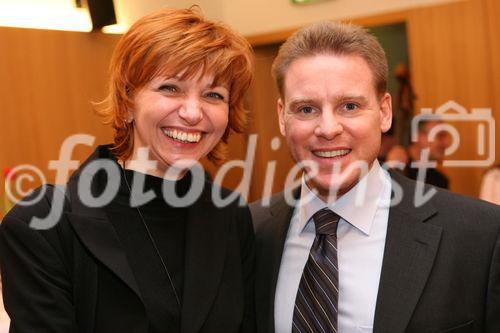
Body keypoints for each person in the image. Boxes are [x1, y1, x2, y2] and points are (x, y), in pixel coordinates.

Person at [0, 7, 255, 333]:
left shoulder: (231, 216)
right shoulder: (43, 222)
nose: (193, 112)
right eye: (170, 88)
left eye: (213, 95)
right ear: (126, 102)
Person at [251, 21, 500, 333]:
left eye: (350, 106)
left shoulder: (480, 236)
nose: (328, 128)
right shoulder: (249, 232)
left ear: (384, 112)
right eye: (306, 109)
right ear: (281, 117)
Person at [386, 119, 451, 189]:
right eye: (440, 136)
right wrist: (389, 170)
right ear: (417, 136)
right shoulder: (390, 165)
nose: (446, 143)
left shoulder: (440, 181)